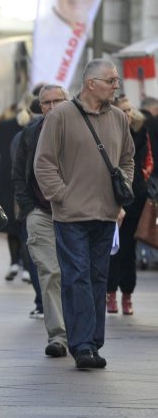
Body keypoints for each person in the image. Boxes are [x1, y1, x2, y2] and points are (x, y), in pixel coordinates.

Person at [35, 59, 134, 369]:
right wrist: (62, 196)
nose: (116, 86)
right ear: (91, 84)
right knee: (77, 276)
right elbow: (44, 163)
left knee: (96, 278)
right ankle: (82, 345)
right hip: (71, 216)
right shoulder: (61, 116)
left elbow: (128, 159)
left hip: (106, 214)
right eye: (111, 80)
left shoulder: (118, 118)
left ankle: (92, 341)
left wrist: (123, 191)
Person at [12, 84, 69, 358]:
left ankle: (82, 335)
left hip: (76, 213)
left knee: (78, 274)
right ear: (39, 106)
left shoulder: (80, 130)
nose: (52, 106)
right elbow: (18, 173)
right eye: (46, 102)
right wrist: (29, 208)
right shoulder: (30, 134)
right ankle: (58, 335)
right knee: (50, 272)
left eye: (58, 100)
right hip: (41, 212)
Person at [108, 96, 152, 315]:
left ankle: (127, 294)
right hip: (109, 198)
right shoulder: (106, 134)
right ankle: (110, 293)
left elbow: (148, 161)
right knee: (111, 249)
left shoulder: (140, 133)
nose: (128, 114)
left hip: (135, 197)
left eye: (129, 109)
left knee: (128, 249)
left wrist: (142, 178)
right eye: (123, 110)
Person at [0, 107, 24, 282]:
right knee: (20, 225)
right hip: (15, 182)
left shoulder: (5, 126)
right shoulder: (31, 127)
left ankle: (15, 263)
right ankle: (23, 265)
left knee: (13, 224)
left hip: (7, 181)